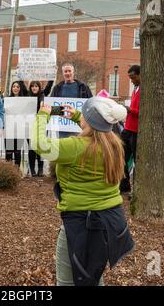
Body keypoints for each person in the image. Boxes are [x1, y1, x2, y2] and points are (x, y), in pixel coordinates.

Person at [31, 97, 134, 286]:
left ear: (89, 121)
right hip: (110, 221)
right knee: (92, 276)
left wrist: (43, 116)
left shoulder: (75, 147)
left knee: (67, 281)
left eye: (84, 115)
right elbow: (95, 132)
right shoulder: (114, 144)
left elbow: (40, 145)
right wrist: (79, 116)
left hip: (81, 224)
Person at [50, 62, 92, 138]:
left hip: (79, 127)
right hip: (62, 127)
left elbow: (90, 104)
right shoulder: (57, 88)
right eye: (65, 71)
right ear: (63, 73)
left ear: (73, 72)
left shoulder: (83, 87)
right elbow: (52, 107)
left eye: (69, 71)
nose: (68, 73)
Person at [119, 65, 141, 195]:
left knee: (137, 161)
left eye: (133, 78)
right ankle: (124, 185)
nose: (132, 81)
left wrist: (129, 110)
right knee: (120, 157)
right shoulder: (135, 88)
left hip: (136, 131)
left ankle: (137, 190)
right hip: (127, 128)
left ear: (140, 75)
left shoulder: (145, 89)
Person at [27, 80, 53, 176]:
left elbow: (49, 87)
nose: (34, 88)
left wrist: (52, 76)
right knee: (31, 148)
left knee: (40, 147)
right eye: (32, 86)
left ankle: (40, 169)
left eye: (36, 86)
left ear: (39, 88)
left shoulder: (43, 95)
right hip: (29, 125)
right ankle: (32, 170)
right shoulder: (27, 96)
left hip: (41, 125)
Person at [5, 81, 28, 168]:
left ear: (20, 88)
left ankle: (17, 171)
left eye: (18, 87)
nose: (15, 88)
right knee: (9, 151)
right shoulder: (7, 100)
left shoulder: (24, 100)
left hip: (19, 128)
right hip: (9, 128)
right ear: (11, 88)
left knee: (17, 151)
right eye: (14, 86)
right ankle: (8, 171)